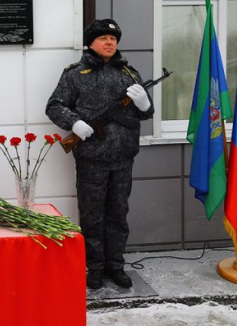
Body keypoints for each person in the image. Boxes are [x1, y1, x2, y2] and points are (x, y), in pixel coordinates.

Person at [45, 19, 154, 290]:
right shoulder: (74, 74)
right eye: (103, 38)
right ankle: (94, 267)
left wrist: (144, 104)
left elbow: (145, 113)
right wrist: (74, 123)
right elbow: (54, 105)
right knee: (92, 214)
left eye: (113, 38)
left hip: (123, 157)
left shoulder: (129, 73)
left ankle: (115, 266)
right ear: (91, 43)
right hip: (91, 158)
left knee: (118, 213)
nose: (109, 42)